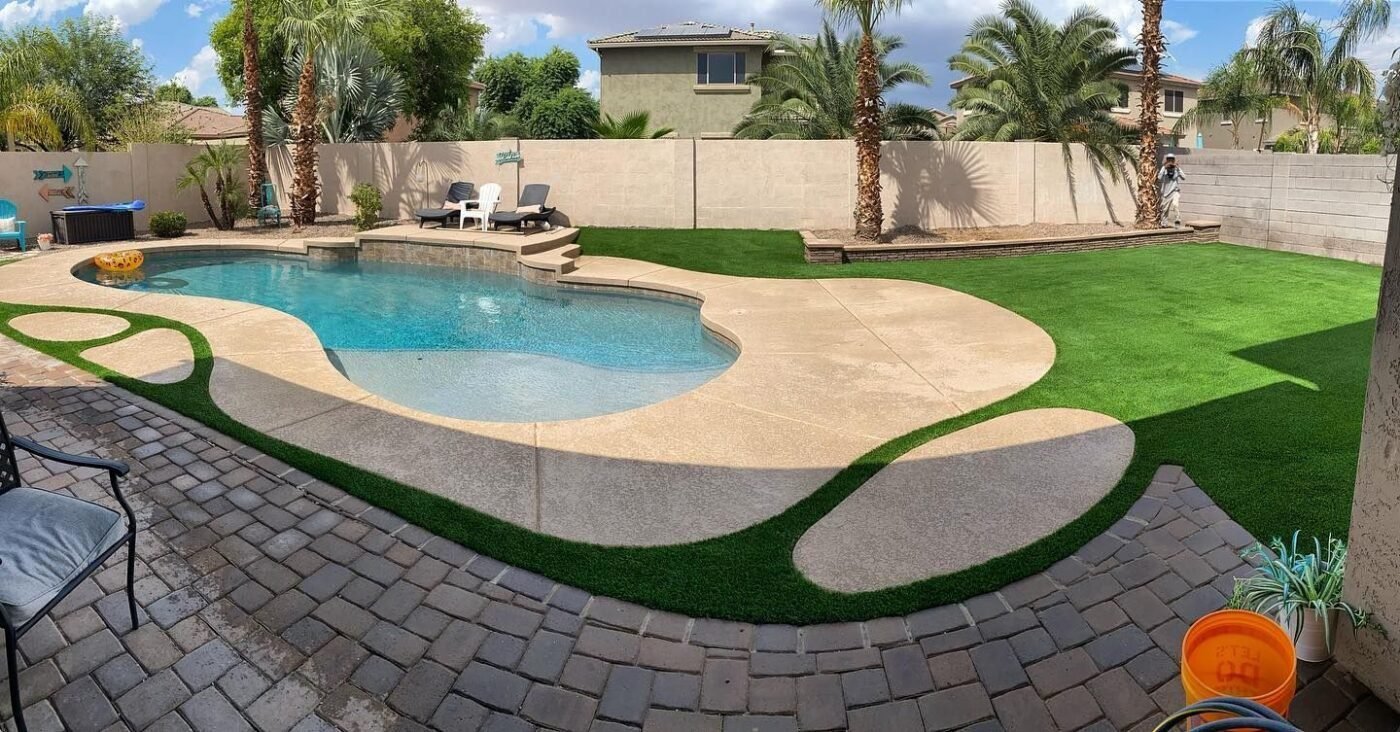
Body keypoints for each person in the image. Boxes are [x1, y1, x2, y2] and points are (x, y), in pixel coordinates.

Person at [1157, 153, 1185, 228]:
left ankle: (1177, 221)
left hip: (1175, 191)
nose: (1170, 161)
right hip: (1166, 193)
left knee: (1175, 205)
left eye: (1172, 159)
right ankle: (1164, 224)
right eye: (1169, 159)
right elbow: (1159, 177)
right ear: (1167, 160)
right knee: (1164, 209)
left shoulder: (1176, 169)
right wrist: (1164, 168)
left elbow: (1183, 177)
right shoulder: (1164, 168)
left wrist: (1178, 168)